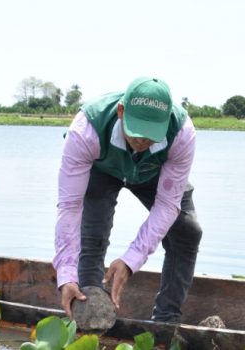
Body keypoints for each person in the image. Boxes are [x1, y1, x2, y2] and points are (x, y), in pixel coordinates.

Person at [53, 77, 202, 323]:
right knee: (92, 237)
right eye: (137, 131)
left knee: (188, 232)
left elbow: (167, 205)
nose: (142, 141)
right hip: (102, 167)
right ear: (121, 112)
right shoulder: (87, 129)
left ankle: (166, 320)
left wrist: (131, 260)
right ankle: (90, 317)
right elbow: (70, 206)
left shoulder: (181, 134)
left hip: (155, 171)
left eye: (151, 134)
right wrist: (66, 274)